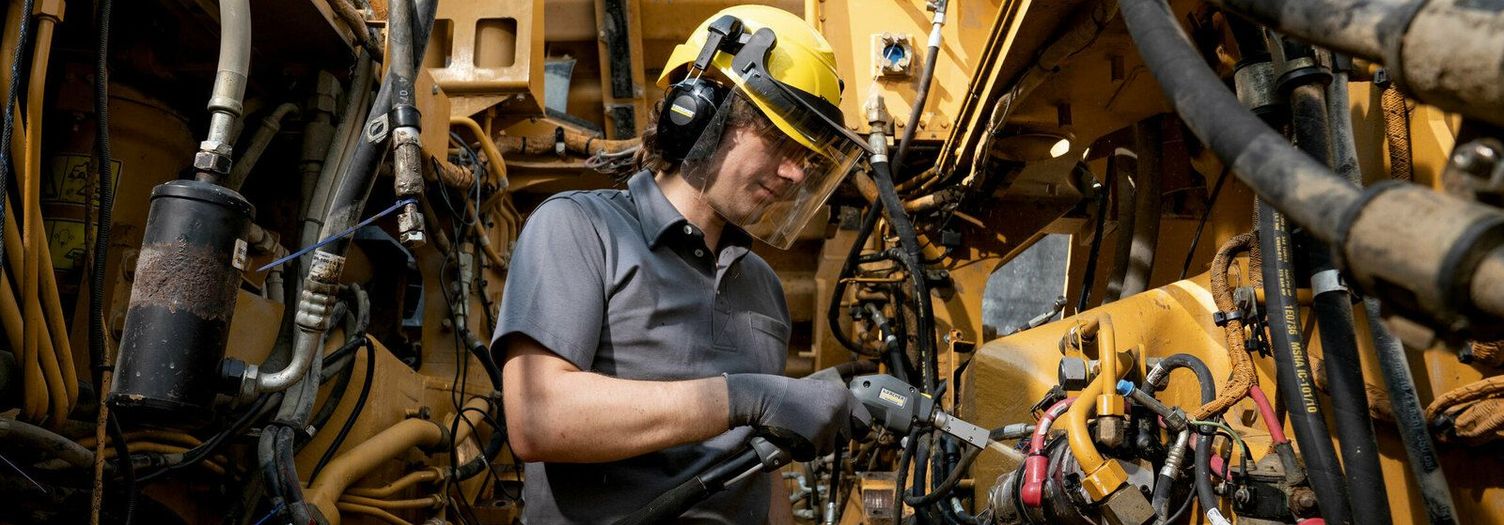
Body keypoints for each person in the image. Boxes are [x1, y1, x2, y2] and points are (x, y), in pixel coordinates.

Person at [494, 5, 873, 523]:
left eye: (806, 157)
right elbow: (537, 419)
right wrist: (743, 396)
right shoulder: (579, 228)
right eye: (781, 142)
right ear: (699, 109)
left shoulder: (764, 287)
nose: (793, 173)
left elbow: (761, 470)